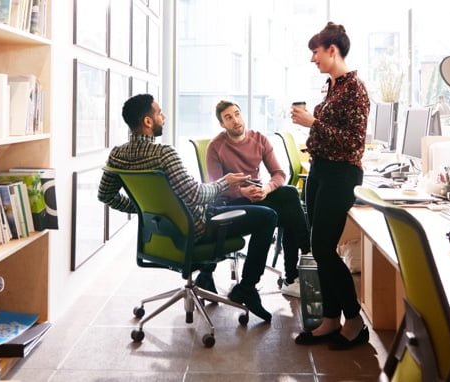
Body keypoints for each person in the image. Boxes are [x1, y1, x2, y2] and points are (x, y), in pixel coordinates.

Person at [98, 94, 277, 322]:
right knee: (268, 217)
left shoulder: (117, 155)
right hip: (197, 229)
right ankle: (247, 289)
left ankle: (205, 277)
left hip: (158, 234)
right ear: (148, 122)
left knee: (239, 211)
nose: (163, 116)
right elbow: (196, 195)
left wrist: (145, 210)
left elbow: (105, 195)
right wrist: (226, 182)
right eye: (159, 112)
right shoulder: (164, 154)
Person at [290, 22, 370, 349]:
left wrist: (314, 122)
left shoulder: (355, 90)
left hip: (341, 174)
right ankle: (329, 319)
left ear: (332, 50)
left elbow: (354, 142)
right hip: (321, 170)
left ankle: (354, 321)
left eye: (316, 52)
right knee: (318, 247)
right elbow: (329, 132)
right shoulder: (332, 86)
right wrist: (314, 126)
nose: (313, 59)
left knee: (324, 247)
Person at [204, 100, 311, 298]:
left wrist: (267, 189)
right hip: (233, 200)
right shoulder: (215, 147)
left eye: (237, 114)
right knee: (287, 214)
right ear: (222, 124)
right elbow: (215, 189)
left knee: (289, 193)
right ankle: (296, 270)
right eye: (228, 117)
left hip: (260, 193)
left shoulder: (259, 139)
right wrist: (242, 193)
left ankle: (303, 257)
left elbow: (279, 173)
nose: (235, 120)